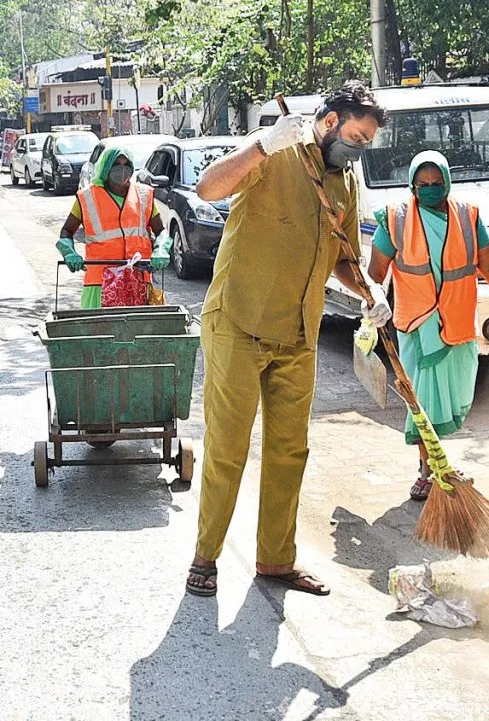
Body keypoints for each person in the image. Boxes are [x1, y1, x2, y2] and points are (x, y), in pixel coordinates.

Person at [185, 82, 391, 598]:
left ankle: (276, 561)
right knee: (228, 449)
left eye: (368, 141)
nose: (360, 148)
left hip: (300, 335)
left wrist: (370, 290)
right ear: (329, 122)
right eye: (357, 136)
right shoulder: (275, 155)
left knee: (289, 451)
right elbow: (207, 188)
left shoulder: (343, 185)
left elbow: (343, 257)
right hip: (239, 324)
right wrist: (263, 145)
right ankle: (205, 557)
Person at [366, 150, 489, 500]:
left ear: (448, 181)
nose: (429, 189)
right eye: (422, 184)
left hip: (458, 323)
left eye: (436, 183)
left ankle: (436, 464)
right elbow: (376, 274)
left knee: (455, 399)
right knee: (425, 401)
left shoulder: (468, 217)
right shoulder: (396, 220)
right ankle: (429, 470)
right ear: (412, 185)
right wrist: (370, 312)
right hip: (418, 325)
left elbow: (488, 266)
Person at [55, 147, 171, 307]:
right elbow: (67, 231)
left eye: (126, 164)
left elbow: (161, 231)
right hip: (99, 283)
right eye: (116, 164)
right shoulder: (87, 197)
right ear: (105, 167)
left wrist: (161, 249)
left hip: (138, 280)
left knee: (141, 328)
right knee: (100, 330)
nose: (122, 169)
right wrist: (69, 252)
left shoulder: (144, 195)